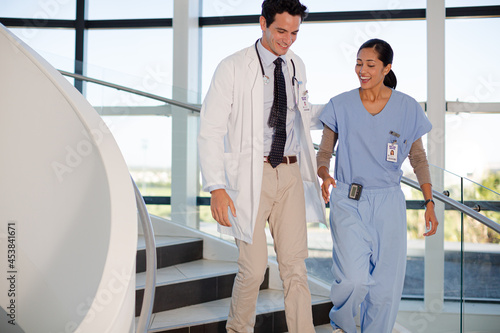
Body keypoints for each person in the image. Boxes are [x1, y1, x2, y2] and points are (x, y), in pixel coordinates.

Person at [197, 1, 326, 332]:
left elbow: (300, 113)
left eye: (295, 32)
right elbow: (210, 129)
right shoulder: (233, 67)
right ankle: (238, 329)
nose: (288, 40)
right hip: (251, 177)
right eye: (281, 31)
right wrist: (216, 187)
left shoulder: (297, 65)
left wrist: (341, 111)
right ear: (263, 23)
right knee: (253, 269)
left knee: (295, 267)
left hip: (291, 173)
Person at [316, 38, 439, 333]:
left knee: (385, 288)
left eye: (370, 64)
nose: (362, 70)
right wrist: (324, 174)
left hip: (388, 203)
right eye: (359, 63)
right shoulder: (341, 104)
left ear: (387, 68)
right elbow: (324, 150)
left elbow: (418, 158)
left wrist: (429, 202)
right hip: (348, 199)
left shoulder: (407, 107)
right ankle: (342, 326)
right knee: (353, 279)